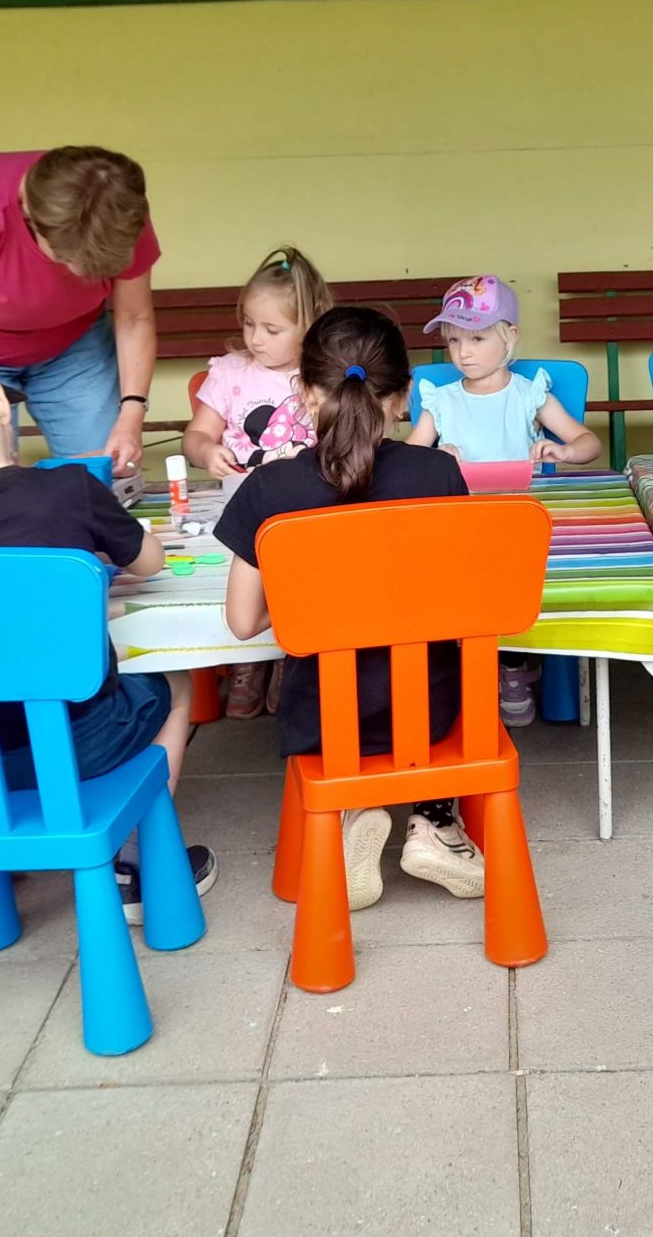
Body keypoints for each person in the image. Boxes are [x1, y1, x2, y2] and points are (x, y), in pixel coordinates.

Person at [0, 328, 217, 937]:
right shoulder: (71, 491)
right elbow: (150, 561)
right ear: (3, 405)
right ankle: (134, 858)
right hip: (86, 742)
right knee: (178, 683)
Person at [216, 305, 484, 907]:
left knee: (344, 709)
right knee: (423, 684)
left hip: (322, 719)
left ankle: (355, 811)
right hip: (432, 713)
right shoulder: (439, 473)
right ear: (404, 397)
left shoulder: (269, 488)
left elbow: (242, 621)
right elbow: (458, 598)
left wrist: (311, 600)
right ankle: (434, 823)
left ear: (304, 393)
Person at [406, 274, 601, 725]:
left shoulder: (528, 393)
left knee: (516, 580)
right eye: (454, 340)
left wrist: (564, 452)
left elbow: (588, 442)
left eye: (476, 338)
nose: (463, 352)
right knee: (445, 579)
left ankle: (515, 665)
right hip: (459, 522)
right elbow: (408, 459)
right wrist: (435, 457)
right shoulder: (442, 400)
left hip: (520, 521)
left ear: (509, 336)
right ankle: (471, 662)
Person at [0, 147, 158, 475]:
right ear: (29, 216)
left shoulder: (118, 209)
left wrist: (131, 416)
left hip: (75, 343)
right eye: (66, 260)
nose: (79, 277)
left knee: (104, 473)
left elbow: (134, 317)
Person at [182, 246, 332, 719]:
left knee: (303, 575)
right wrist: (206, 451)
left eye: (271, 329)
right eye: (249, 324)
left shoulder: (323, 375)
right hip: (242, 509)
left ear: (309, 325)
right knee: (242, 578)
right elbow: (196, 436)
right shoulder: (231, 372)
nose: (255, 338)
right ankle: (248, 659)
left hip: (306, 512)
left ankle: (290, 655)